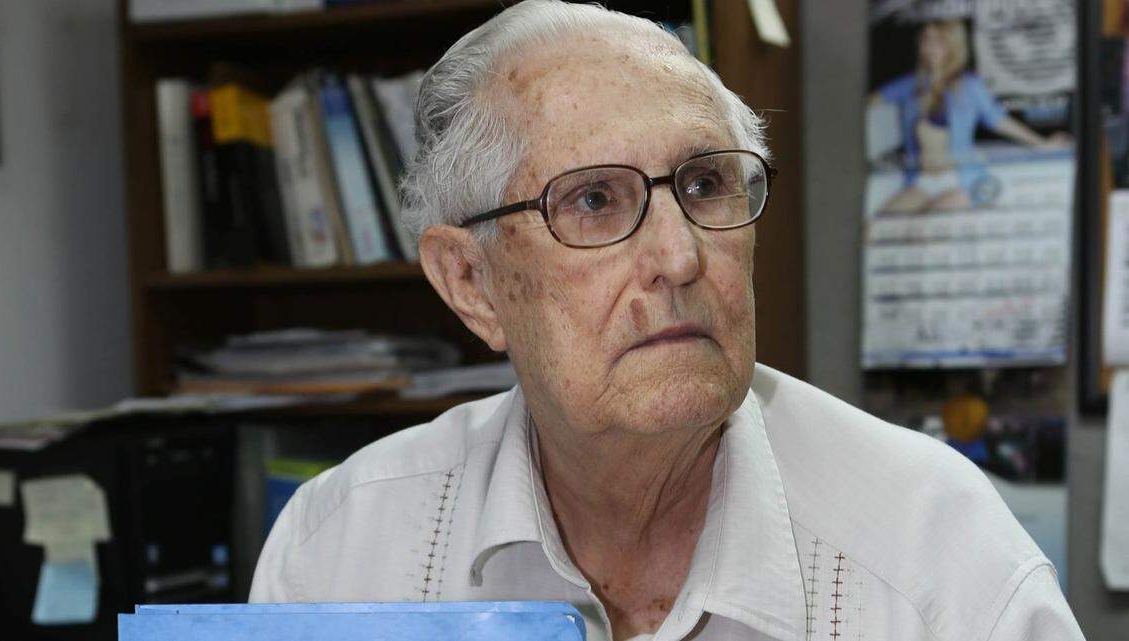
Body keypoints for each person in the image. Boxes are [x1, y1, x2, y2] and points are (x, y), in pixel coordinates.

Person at [250, 2, 1085, 639]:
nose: (680, 257)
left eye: (704, 185)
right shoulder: (340, 548)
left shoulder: (938, 554)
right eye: (591, 199)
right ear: (471, 281)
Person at [871, 19, 1070, 213]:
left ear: (953, 44)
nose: (930, 47)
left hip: (959, 180)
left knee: (927, 229)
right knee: (877, 228)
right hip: (921, 180)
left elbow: (998, 119)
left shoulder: (969, 86)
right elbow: (870, 101)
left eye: (939, 40)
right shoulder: (910, 84)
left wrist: (1041, 142)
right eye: (926, 39)